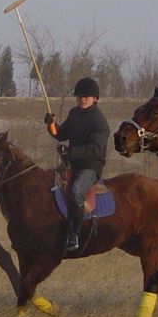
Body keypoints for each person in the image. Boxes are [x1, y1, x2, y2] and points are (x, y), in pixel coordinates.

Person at [44, 77, 110, 251]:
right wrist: (51, 125)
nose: (82, 99)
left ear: (95, 98)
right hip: (71, 164)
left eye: (86, 96)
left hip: (90, 167)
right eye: (80, 96)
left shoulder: (99, 121)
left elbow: (95, 149)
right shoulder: (74, 114)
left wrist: (71, 152)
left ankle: (74, 234)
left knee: (75, 191)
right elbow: (61, 134)